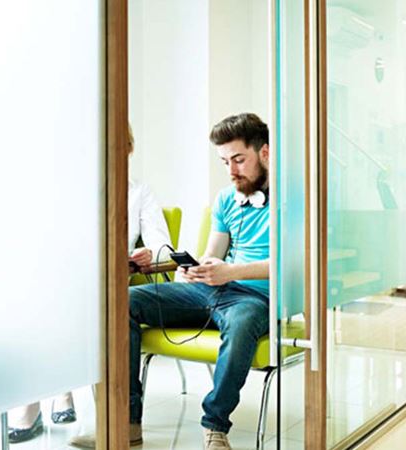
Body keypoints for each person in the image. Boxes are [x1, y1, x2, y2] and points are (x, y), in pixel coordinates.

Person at [70, 113, 270, 450]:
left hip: (254, 296)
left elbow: (293, 265)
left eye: (239, 160)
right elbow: (214, 252)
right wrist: (199, 268)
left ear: (264, 153)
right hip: (211, 289)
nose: (232, 171)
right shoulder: (225, 199)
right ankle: (125, 422)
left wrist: (230, 272)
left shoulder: (296, 200)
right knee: (123, 304)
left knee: (243, 320)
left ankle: (215, 426)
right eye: (225, 162)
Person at [7, 124, 173, 443]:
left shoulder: (139, 192)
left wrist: (147, 252)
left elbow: (161, 245)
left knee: (60, 308)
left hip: (111, 282)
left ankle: (51, 395)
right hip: (69, 279)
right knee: (46, 302)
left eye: (118, 148)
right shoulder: (68, 191)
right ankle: (58, 391)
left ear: (129, 148)